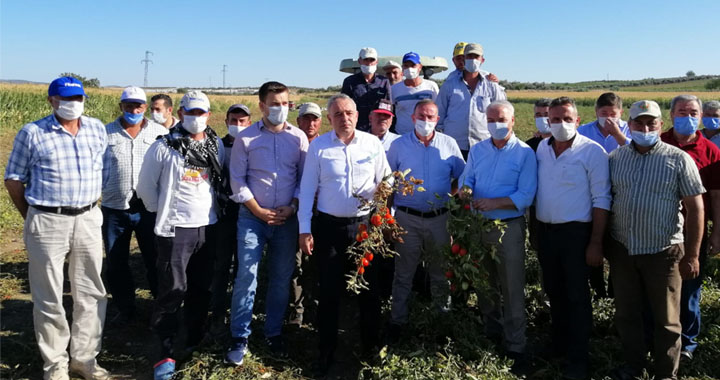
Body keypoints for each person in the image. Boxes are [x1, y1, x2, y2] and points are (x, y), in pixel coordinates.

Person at [4, 76, 110, 380]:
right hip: (47, 220)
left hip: (88, 217)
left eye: (78, 98)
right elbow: (14, 179)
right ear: (51, 100)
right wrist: (33, 216)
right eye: (65, 98)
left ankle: (85, 359)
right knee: (49, 295)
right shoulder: (33, 133)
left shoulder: (95, 129)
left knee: (91, 292)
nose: (72, 104)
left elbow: (103, 169)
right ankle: (55, 366)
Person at [607, 100, 704, 380]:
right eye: (639, 123)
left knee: (666, 320)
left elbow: (696, 208)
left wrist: (693, 255)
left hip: (664, 251)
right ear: (630, 124)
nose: (645, 128)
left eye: (652, 123)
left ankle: (665, 373)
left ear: (661, 125)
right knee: (627, 314)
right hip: (624, 249)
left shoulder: (678, 159)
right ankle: (633, 366)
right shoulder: (616, 158)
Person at [298, 94, 390, 376]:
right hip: (329, 229)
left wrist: (385, 216)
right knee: (328, 292)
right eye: (338, 114)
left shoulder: (372, 144)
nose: (345, 118)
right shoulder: (320, 148)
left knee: (369, 290)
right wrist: (304, 229)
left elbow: (385, 181)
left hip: (364, 228)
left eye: (349, 112)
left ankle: (370, 348)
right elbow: (307, 189)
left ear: (357, 115)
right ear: (329, 119)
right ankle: (326, 352)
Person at [136, 90, 224, 380]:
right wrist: (161, 213)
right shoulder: (164, 147)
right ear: (181, 114)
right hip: (175, 230)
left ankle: (194, 340)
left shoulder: (216, 146)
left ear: (208, 115)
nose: (196, 118)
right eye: (190, 113)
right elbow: (146, 189)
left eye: (201, 113)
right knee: (172, 292)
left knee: (201, 289)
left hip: (207, 228)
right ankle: (164, 354)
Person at [225, 81, 309, 365]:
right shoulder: (246, 139)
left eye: (285, 103)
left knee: (280, 278)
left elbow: (303, 179)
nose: (281, 109)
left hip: (286, 219)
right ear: (261, 106)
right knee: (247, 276)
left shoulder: (298, 138)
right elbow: (237, 180)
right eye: (275, 104)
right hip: (252, 218)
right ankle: (239, 336)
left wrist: (293, 205)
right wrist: (259, 211)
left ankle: (273, 332)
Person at [535, 97, 611, 380]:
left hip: (577, 234)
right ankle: (559, 344)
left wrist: (596, 241)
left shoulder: (593, 152)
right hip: (546, 232)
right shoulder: (542, 148)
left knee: (578, 295)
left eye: (567, 119)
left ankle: (579, 357)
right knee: (554, 290)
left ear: (578, 121)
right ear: (548, 122)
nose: (561, 124)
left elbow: (601, 198)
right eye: (555, 119)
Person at [459, 100, 536, 372]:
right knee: (484, 283)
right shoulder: (479, 150)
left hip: (508, 228)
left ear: (513, 121)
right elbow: (467, 179)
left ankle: (517, 345)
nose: (496, 125)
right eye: (491, 120)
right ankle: (492, 331)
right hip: (479, 226)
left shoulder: (525, 153)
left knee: (512, 286)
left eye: (501, 119)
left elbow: (525, 195)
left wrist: (495, 203)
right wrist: (465, 190)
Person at [385, 99, 465, 341]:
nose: (426, 121)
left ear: (437, 119)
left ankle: (442, 321)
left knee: (441, 273)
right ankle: (397, 321)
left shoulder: (449, 144)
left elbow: (462, 179)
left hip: (439, 219)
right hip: (407, 218)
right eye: (422, 116)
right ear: (412, 118)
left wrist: (450, 197)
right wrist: (387, 218)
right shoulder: (399, 146)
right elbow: (388, 184)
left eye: (431, 117)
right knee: (403, 273)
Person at [102, 86, 168, 325]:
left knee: (154, 259)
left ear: (145, 107)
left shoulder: (159, 133)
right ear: (121, 106)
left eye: (138, 105)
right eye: (129, 105)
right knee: (116, 261)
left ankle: (158, 308)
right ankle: (125, 308)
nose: (133, 110)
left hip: (148, 208)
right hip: (114, 207)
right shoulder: (105, 132)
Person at [661, 95, 720, 361]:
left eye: (693, 112)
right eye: (682, 112)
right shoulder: (658, 142)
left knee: (690, 289)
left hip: (693, 232)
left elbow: (716, 197)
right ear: (671, 115)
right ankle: (661, 337)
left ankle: (688, 343)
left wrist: (716, 231)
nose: (688, 117)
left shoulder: (710, 150)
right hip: (660, 230)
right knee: (660, 288)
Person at [577, 92, 631, 299]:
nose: (608, 117)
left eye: (613, 113)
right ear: (596, 112)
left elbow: (639, 152)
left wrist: (617, 135)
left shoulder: (629, 129)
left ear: (621, 113)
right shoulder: (584, 131)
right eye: (603, 113)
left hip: (622, 194)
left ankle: (615, 292)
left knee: (617, 245)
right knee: (592, 239)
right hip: (591, 193)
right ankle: (597, 288)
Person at [209, 103, 252, 331]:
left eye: (242, 121)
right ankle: (217, 313)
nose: (237, 125)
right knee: (221, 265)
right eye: (233, 121)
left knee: (243, 268)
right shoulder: (218, 147)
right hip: (224, 215)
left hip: (248, 214)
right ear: (226, 122)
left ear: (249, 123)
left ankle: (240, 311)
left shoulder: (253, 146)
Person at [437, 43, 507, 158]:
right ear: (464, 59)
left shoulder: (491, 84)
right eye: (469, 56)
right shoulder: (449, 84)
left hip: (483, 143)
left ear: (482, 60)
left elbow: (502, 110)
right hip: (455, 144)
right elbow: (440, 111)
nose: (473, 60)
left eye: (476, 57)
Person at [287, 101, 323, 326]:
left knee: (317, 262)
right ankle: (296, 308)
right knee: (295, 262)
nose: (310, 123)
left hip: (320, 213)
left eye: (315, 119)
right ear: (298, 121)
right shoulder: (291, 145)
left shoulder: (326, 145)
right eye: (306, 119)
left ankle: (316, 304)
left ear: (321, 122)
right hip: (295, 211)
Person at [341, 47, 391, 132]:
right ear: (359, 61)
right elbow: (344, 107)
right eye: (366, 60)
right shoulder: (349, 81)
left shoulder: (384, 81)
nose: (369, 63)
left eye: (372, 60)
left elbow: (388, 106)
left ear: (376, 61)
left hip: (377, 129)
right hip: (357, 128)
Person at [391, 52, 439, 135]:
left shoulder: (431, 86)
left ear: (420, 67)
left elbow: (438, 109)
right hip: (401, 135)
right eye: (406, 66)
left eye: (413, 65)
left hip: (425, 135)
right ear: (402, 68)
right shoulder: (394, 89)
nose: (409, 69)